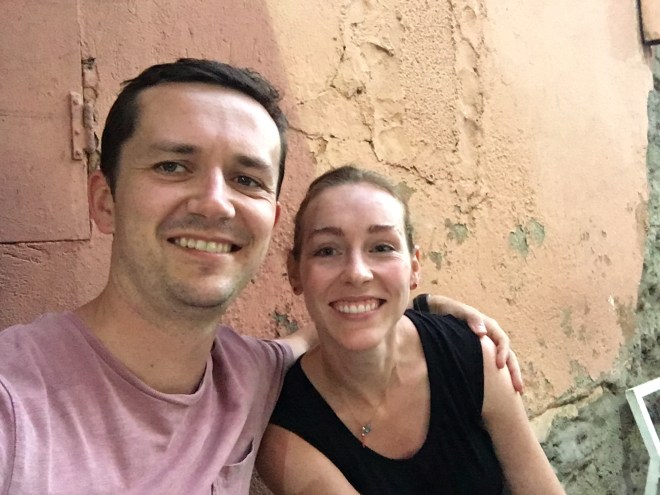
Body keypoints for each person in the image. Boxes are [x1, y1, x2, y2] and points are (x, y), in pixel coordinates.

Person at [0, 59, 518, 495]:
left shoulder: (250, 374)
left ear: (271, 220)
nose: (215, 203)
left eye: (246, 179)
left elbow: (331, 325)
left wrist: (421, 304)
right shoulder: (16, 404)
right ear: (104, 201)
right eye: (172, 166)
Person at [257, 165, 565, 494]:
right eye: (327, 250)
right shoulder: (288, 432)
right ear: (295, 272)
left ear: (414, 267)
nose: (357, 273)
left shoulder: (471, 354)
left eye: (382, 247)